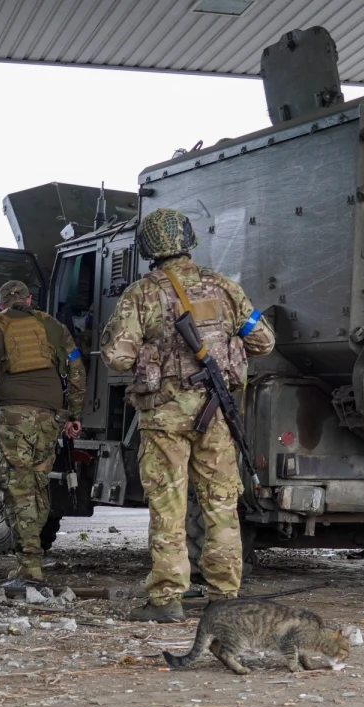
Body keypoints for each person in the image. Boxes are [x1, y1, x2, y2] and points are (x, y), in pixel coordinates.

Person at [100, 208, 275, 623]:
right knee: (220, 503)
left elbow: (116, 356)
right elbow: (264, 341)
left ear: (148, 250)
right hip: (215, 413)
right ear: (189, 240)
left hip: (163, 418)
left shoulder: (141, 294)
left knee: (169, 505)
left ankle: (167, 599)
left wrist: (152, 354)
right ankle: (224, 595)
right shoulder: (226, 289)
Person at [0, 280, 86, 596]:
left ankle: (30, 568)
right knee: (38, 484)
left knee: (17, 486)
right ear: (28, 299)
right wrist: (75, 414)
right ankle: (30, 560)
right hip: (50, 415)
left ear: (2, 303)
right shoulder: (54, 326)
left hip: (14, 414)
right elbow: (76, 369)